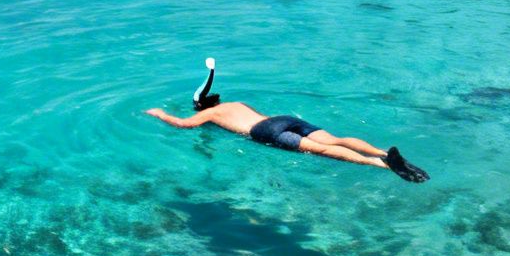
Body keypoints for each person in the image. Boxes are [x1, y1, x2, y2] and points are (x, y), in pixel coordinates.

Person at [145, 100, 430, 182]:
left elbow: (183, 124)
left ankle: (383, 165)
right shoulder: (236, 103)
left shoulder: (209, 113)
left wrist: (160, 114)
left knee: (323, 150)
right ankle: (383, 152)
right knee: (336, 139)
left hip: (264, 131)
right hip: (282, 118)